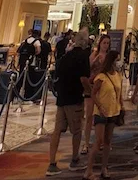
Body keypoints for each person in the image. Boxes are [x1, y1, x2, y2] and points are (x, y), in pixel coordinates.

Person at [46, 29, 91, 177]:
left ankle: (52, 163)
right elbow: (83, 79)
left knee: (57, 131)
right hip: (74, 99)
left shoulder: (66, 57)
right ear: (85, 43)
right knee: (76, 130)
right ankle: (74, 159)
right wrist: (90, 92)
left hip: (62, 99)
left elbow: (58, 74)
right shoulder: (83, 57)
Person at [83, 49, 123, 180]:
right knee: (98, 141)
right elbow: (93, 94)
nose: (118, 63)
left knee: (108, 141)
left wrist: (122, 106)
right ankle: (88, 170)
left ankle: (104, 168)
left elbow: (119, 93)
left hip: (113, 111)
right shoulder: (101, 77)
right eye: (116, 60)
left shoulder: (118, 75)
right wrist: (99, 106)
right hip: (101, 112)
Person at [82, 33, 111, 155]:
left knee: (103, 116)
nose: (105, 45)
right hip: (92, 87)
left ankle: (103, 141)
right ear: (99, 43)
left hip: (103, 88)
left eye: (107, 43)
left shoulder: (109, 57)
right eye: (104, 43)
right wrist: (96, 59)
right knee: (89, 116)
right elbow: (88, 68)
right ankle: (86, 143)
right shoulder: (94, 54)